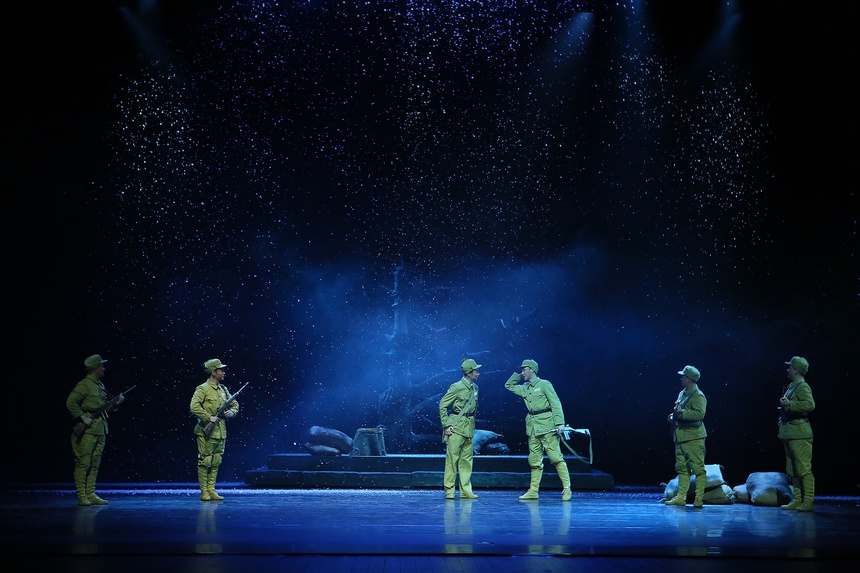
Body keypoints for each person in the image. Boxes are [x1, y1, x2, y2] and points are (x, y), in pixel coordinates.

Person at [504, 359, 571, 501]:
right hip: (533, 427)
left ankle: (567, 488)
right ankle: (533, 491)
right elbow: (508, 385)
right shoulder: (524, 388)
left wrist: (560, 423)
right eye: (521, 370)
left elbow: (555, 403)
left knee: (556, 458)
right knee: (534, 460)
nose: (522, 372)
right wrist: (519, 375)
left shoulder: (544, 384)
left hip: (547, 426)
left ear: (532, 370)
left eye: (524, 370)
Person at [65, 354, 125, 506]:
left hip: (100, 429)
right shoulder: (84, 385)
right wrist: (81, 417)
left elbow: (103, 408)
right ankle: (82, 495)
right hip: (87, 431)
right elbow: (71, 402)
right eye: (102, 366)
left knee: (95, 463)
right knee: (83, 462)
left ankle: (90, 493)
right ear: (95, 368)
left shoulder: (100, 386)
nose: (104, 368)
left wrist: (116, 404)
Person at [190, 359, 239, 501]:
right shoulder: (203, 388)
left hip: (220, 431)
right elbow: (194, 406)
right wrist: (208, 417)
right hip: (206, 431)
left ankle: (211, 490)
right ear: (213, 372)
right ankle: (204, 491)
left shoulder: (223, 389)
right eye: (220, 370)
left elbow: (234, 404)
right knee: (205, 461)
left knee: (216, 460)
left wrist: (232, 412)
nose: (223, 372)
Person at [664, 365, 707, 508]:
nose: (681, 378)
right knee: (682, 468)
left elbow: (700, 415)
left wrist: (682, 413)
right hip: (680, 436)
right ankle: (681, 497)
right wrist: (673, 416)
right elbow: (678, 411)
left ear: (689, 379)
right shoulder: (682, 394)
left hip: (693, 438)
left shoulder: (698, 395)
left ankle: (699, 499)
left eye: (683, 376)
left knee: (698, 469)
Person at [439, 358, 481, 500]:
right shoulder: (456, 387)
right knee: (452, 461)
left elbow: (474, 410)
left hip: (469, 428)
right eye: (475, 371)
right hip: (456, 428)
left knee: (466, 461)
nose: (478, 373)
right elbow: (443, 405)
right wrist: (446, 425)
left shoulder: (475, 388)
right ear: (469, 373)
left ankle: (466, 490)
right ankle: (449, 490)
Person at [779, 356, 815, 512]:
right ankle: (798, 499)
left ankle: (808, 501)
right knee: (792, 468)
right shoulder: (792, 386)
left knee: (803, 469)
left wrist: (790, 404)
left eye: (790, 367)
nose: (788, 369)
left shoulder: (802, 386)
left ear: (796, 370)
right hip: (790, 433)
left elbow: (810, 405)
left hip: (800, 434)